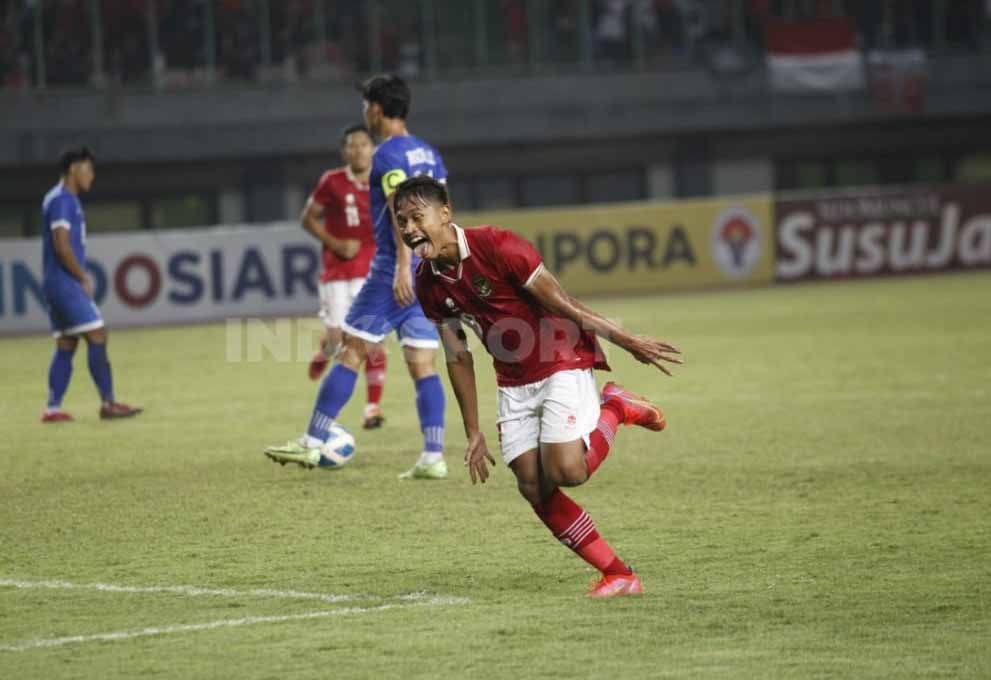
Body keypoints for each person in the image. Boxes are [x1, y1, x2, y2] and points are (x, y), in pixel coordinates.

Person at [394, 175, 682, 598]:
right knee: (532, 483)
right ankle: (620, 575)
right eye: (401, 221)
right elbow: (457, 355)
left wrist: (628, 340)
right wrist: (473, 431)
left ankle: (616, 407)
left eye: (417, 217)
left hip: (561, 358)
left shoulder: (498, 246)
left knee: (568, 471)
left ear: (446, 213)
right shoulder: (428, 283)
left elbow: (566, 305)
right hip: (513, 380)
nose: (409, 229)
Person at [265, 74, 449, 479]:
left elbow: (403, 211)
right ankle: (433, 456)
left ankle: (313, 442)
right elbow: (440, 212)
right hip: (430, 268)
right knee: (423, 363)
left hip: (393, 270)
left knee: (350, 350)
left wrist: (402, 267)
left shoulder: (386, 155)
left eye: (366, 106)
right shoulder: (429, 153)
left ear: (377, 109)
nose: (364, 113)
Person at [39, 145, 142, 423]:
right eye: (89, 168)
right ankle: (108, 403)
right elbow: (62, 245)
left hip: (53, 282)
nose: (92, 175)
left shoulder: (57, 198)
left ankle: (52, 408)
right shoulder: (63, 200)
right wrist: (81, 276)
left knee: (67, 343)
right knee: (97, 334)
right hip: (64, 282)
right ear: (74, 168)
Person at [302, 124, 388, 430]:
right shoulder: (332, 181)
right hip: (337, 272)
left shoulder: (384, 182)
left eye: (364, 145)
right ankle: (326, 349)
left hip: (373, 272)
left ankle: (372, 408)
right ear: (345, 151)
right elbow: (307, 218)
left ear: (373, 149)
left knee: (371, 341)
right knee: (340, 342)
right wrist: (336, 243)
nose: (359, 150)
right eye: (352, 146)